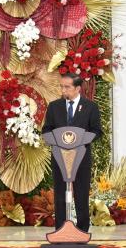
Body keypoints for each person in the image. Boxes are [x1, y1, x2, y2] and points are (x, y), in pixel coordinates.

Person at [42, 73, 102, 232]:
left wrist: (81, 139)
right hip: (60, 158)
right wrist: (56, 139)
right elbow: (47, 129)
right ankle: (60, 230)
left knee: (81, 195)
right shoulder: (54, 107)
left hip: (81, 158)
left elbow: (97, 131)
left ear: (78, 88)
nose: (63, 90)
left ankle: (82, 231)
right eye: (61, 86)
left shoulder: (90, 107)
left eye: (67, 87)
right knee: (60, 196)